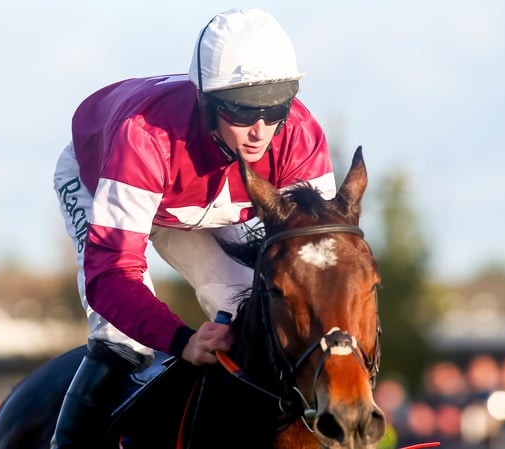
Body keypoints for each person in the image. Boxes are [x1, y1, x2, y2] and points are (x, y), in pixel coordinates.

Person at [51, 7, 337, 449]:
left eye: (275, 108)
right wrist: (182, 340)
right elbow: (110, 276)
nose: (260, 131)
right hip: (105, 180)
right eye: (242, 113)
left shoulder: (298, 133)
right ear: (208, 102)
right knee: (121, 340)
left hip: (209, 204)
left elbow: (316, 266)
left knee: (251, 312)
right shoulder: (144, 137)